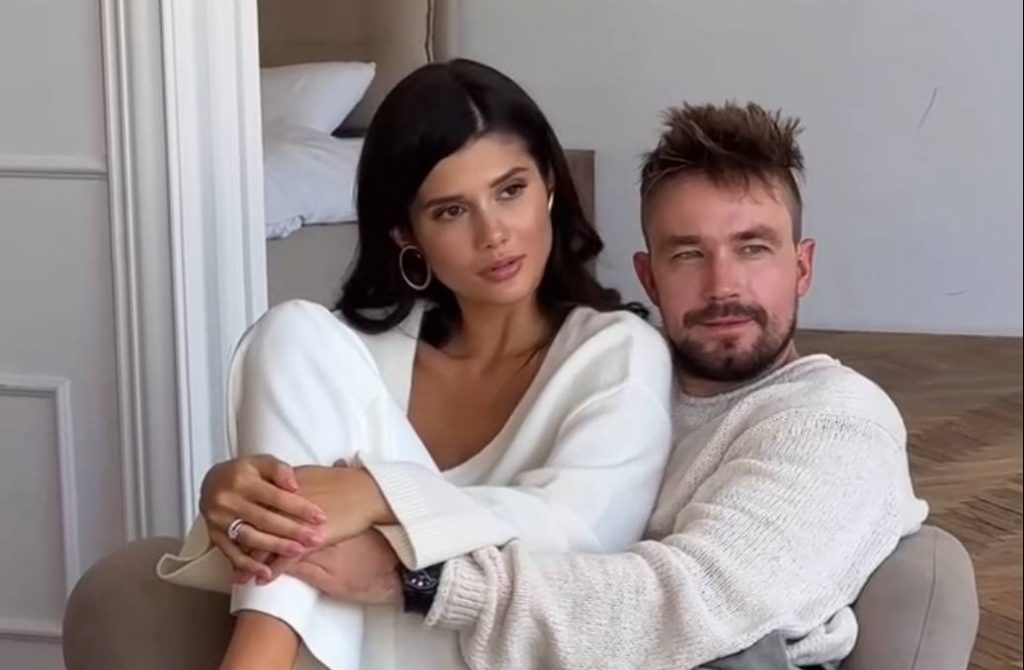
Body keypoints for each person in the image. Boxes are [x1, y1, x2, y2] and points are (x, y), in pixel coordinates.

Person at [279, 102, 931, 670]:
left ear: (802, 267)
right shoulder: (611, 377)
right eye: (688, 254)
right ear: (649, 277)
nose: (723, 285)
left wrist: (419, 578)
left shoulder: (833, 420)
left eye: (753, 248)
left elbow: (691, 607)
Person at [154, 58, 674, 670]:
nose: (494, 233)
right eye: (451, 211)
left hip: (495, 645)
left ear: (550, 189)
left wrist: (378, 495)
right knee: (289, 327)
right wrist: (233, 495)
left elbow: (579, 535)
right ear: (406, 235)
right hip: (355, 640)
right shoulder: (350, 356)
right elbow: (293, 516)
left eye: (511, 191)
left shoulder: (618, 350)